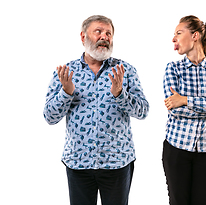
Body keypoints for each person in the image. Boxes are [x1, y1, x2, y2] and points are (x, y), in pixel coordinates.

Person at [43, 15, 149, 205]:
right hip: (78, 163)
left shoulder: (125, 70)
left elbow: (143, 112)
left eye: (109, 33)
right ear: (83, 37)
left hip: (117, 163)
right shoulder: (66, 72)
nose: (104, 37)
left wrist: (120, 94)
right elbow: (49, 117)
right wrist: (66, 93)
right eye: (98, 31)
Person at [162, 15, 206, 205]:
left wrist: (184, 100)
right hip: (177, 148)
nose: (173, 39)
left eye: (179, 33)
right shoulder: (173, 69)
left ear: (195, 36)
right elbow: (174, 110)